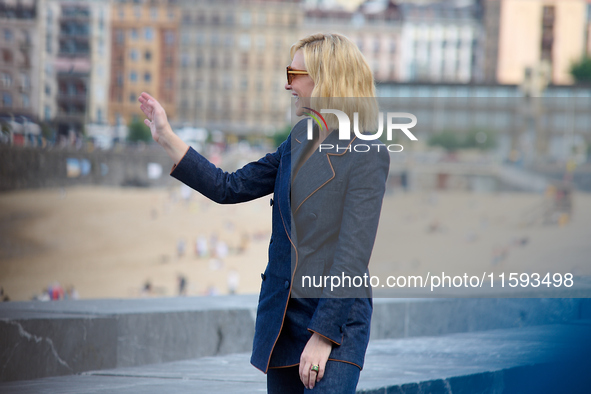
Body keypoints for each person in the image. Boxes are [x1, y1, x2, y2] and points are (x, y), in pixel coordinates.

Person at [138, 32, 389, 393]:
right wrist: (166, 135)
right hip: (283, 321)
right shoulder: (298, 141)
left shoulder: (367, 153)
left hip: (336, 324)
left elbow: (352, 255)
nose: (288, 84)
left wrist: (322, 336)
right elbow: (230, 186)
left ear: (327, 78)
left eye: (295, 74)